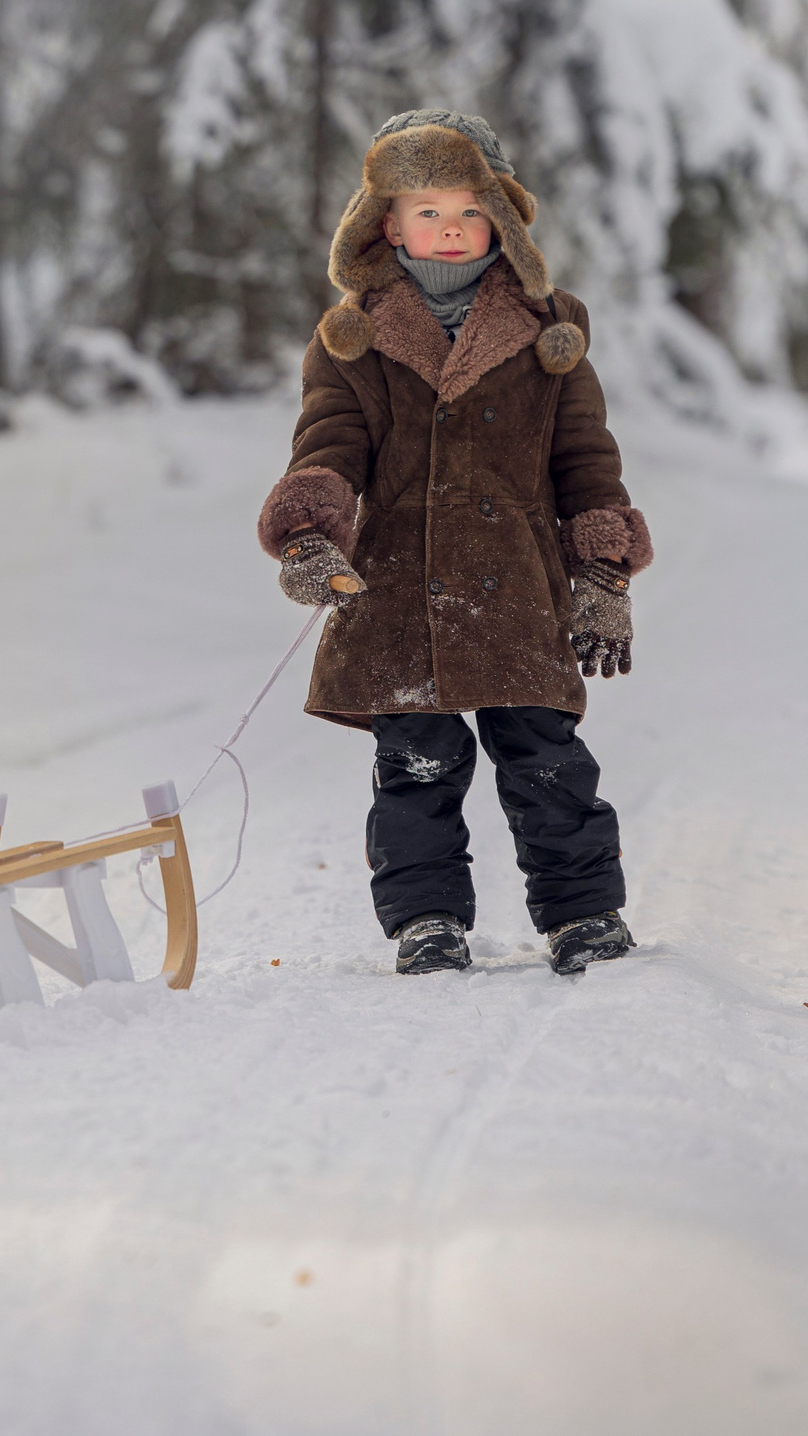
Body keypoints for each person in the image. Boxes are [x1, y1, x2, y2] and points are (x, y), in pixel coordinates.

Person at [255, 110, 652, 977]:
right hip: (398, 587)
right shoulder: (351, 340)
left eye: (466, 211)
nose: (445, 229)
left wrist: (603, 569)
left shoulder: (551, 333)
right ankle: (426, 918)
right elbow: (326, 445)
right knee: (415, 765)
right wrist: (311, 533)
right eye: (423, 210)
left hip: (514, 584)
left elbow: (585, 458)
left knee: (546, 758)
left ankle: (584, 913)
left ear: (501, 222)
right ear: (385, 223)